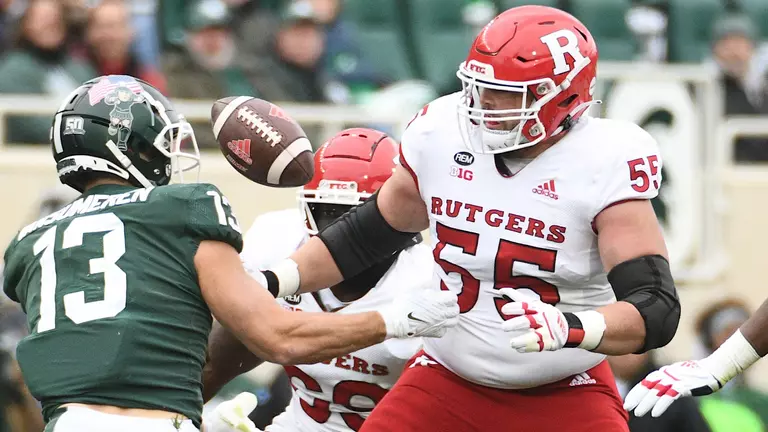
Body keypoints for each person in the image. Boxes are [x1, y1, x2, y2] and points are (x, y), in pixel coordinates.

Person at [248, 5, 682, 431]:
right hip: (446, 379)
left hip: (563, 388)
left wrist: (573, 328)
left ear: (563, 96)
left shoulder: (603, 160)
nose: (484, 103)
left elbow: (655, 307)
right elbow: (365, 236)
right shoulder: (443, 130)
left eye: (507, 92)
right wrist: (272, 281)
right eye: (480, 85)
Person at [1, 74, 459, 432]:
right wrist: (394, 322)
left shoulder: (27, 243)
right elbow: (274, 338)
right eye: (160, 142)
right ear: (129, 147)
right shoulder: (182, 210)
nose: (344, 231)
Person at [204, 128, 434, 431]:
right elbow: (213, 364)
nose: (342, 231)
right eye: (326, 211)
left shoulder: (427, 280)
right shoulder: (278, 240)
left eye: (358, 216)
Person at [624, 297, 768, 419]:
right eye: (727, 330)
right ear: (708, 339)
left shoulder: (760, 401)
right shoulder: (685, 398)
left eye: (740, 330)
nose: (733, 338)